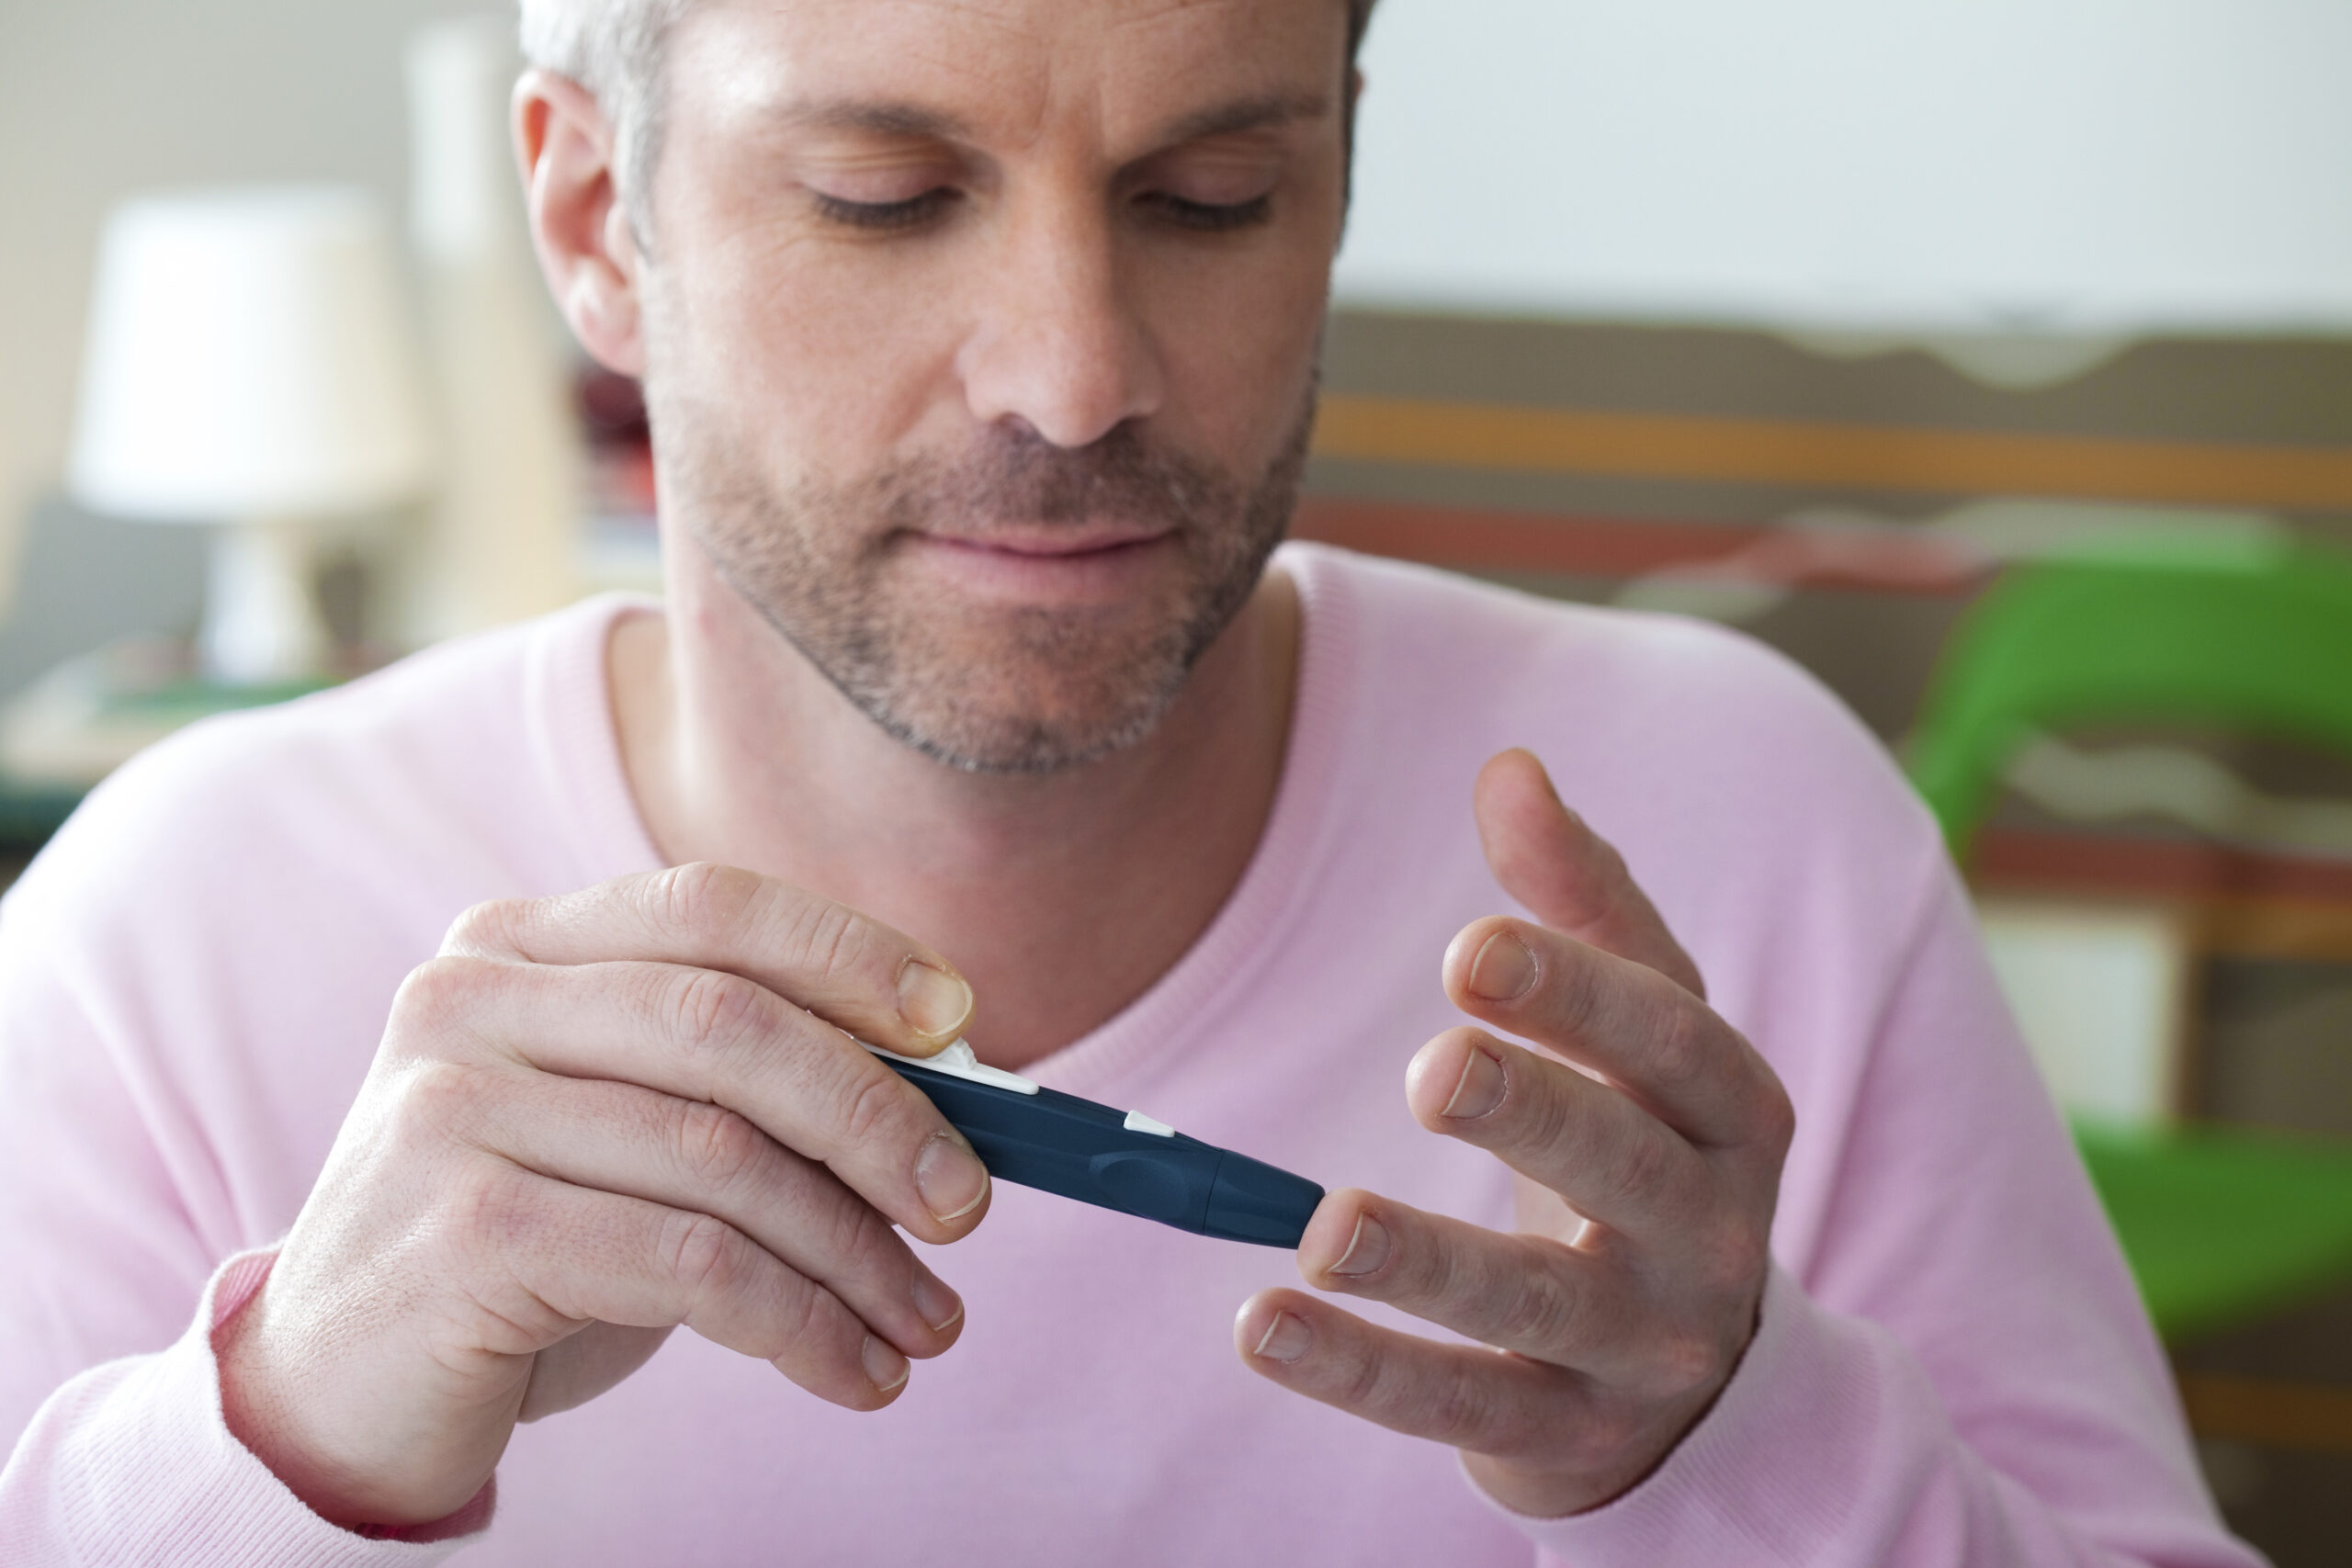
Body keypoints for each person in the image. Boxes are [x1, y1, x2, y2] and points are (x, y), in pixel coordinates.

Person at [0, 0, 2265, 1562]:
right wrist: (288, 1439)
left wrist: (1741, 1436)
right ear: (599, 220)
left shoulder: (1741, 838)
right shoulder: (173, 930)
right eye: (887, 197)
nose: (1074, 376)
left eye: (1205, 195)